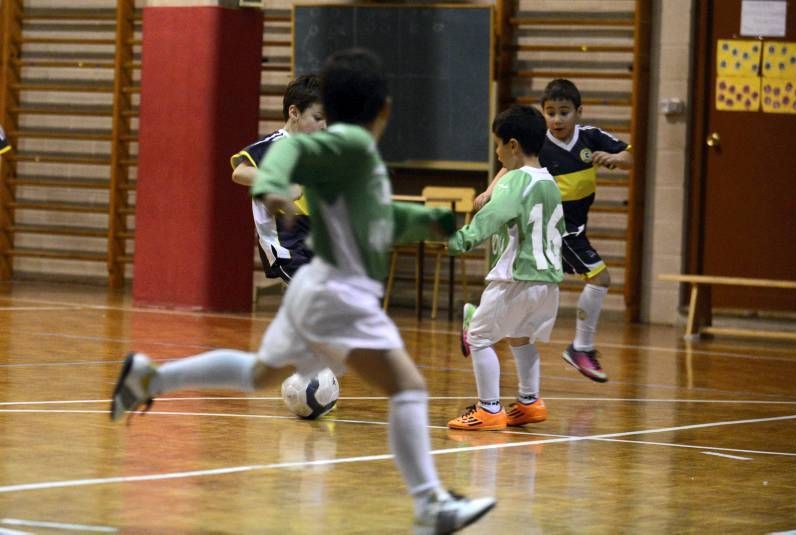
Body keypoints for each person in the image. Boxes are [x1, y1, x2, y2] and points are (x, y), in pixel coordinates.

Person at [110, 48, 495, 534]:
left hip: (326, 278)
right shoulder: (305, 149)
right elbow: (245, 171)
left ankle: (150, 379)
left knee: (260, 373)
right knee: (407, 387)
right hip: (318, 271)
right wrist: (279, 188)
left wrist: (422, 220)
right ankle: (431, 503)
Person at [472, 79, 632, 383]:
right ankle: (581, 348)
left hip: (577, 228)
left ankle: (477, 318)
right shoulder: (540, 144)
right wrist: (489, 191)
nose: (557, 119)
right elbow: (510, 165)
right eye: (550, 112)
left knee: (522, 297)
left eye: (564, 112)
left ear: (578, 112)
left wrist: (615, 159)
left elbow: (629, 154)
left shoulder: (590, 137)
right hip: (557, 229)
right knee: (600, 277)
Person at [447, 105, 564, 431]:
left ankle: (489, 409)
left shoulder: (516, 181)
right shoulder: (549, 183)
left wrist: (459, 240)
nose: (496, 153)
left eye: (498, 144)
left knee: (480, 337)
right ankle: (530, 403)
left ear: (513, 145)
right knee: (521, 338)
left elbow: (491, 218)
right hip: (548, 283)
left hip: (516, 278)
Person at [230, 74, 326, 284]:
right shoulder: (276, 144)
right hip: (286, 245)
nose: (324, 125)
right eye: (318, 118)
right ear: (294, 112)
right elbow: (240, 173)